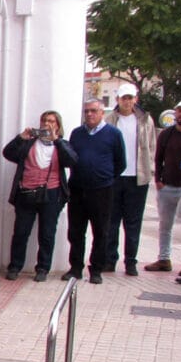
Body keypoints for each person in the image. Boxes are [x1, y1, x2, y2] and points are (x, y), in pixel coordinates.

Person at [2, 111, 77, 282]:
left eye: (51, 121)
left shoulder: (61, 144)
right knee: (21, 232)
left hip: (51, 193)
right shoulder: (29, 143)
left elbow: (72, 160)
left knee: (47, 233)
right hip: (27, 192)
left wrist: (56, 140)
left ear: (57, 125)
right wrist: (20, 138)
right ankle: (15, 266)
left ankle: (43, 268)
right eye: (44, 120)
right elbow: (8, 153)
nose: (47, 124)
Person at [64, 99, 125, 285]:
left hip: (101, 190)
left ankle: (96, 269)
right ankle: (75, 268)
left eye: (93, 111)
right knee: (75, 231)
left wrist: (104, 177)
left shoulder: (113, 134)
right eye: (86, 111)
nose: (89, 114)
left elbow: (120, 163)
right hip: (77, 189)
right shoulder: (77, 133)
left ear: (101, 113)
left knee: (101, 231)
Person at [104, 83, 157, 276]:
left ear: (136, 99)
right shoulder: (110, 120)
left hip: (137, 178)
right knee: (111, 221)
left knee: (133, 223)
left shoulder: (145, 121)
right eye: (123, 98)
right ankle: (110, 259)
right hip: (115, 177)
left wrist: (150, 170)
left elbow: (151, 146)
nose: (127, 101)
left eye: (130, 98)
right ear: (117, 99)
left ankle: (131, 262)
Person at [145, 99, 181, 281]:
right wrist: (158, 180)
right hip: (167, 186)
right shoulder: (167, 134)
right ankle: (163, 259)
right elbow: (158, 158)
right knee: (165, 225)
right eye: (179, 111)